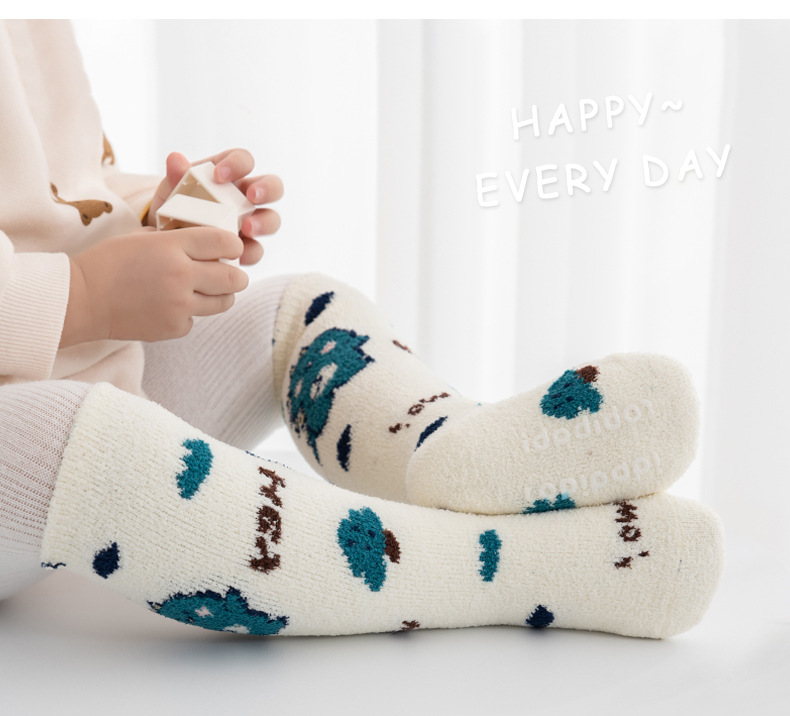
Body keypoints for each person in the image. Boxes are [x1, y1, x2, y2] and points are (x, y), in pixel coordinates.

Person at [0, 20, 723, 639]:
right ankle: (510, 564)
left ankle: (447, 453)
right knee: (87, 440)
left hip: (67, 360)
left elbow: (62, 193)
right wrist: (85, 296)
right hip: (30, 431)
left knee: (298, 312)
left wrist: (156, 222)